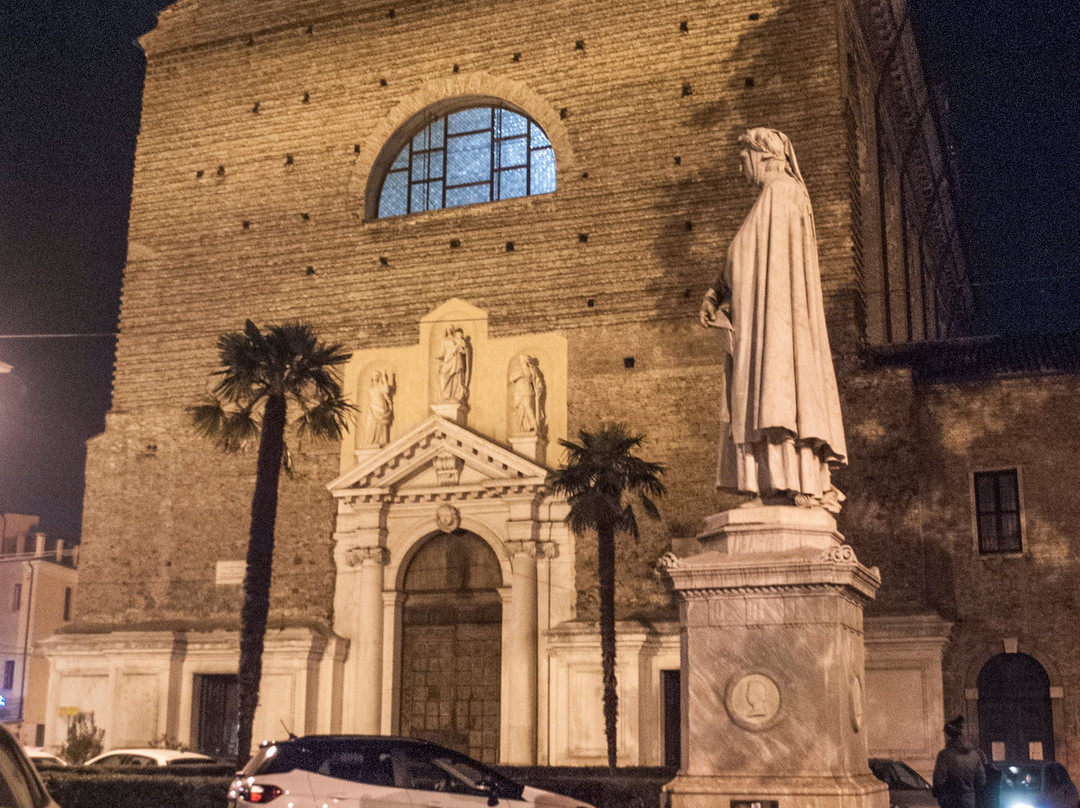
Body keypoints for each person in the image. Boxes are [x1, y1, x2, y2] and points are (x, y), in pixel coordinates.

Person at [699, 127, 847, 512]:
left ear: (762, 155)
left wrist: (719, 291)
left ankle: (784, 483)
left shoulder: (780, 195)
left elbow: (746, 255)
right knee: (771, 398)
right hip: (769, 320)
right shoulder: (779, 197)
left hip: (775, 325)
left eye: (743, 156)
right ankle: (777, 484)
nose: (740, 165)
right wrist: (719, 292)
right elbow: (746, 257)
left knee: (776, 397)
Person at [932, 716, 987, 808]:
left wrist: (938, 794)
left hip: (950, 801)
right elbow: (981, 780)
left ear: (948, 735)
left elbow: (939, 779)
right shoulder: (974, 755)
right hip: (969, 801)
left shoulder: (944, 755)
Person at [509, 355, 546, 435]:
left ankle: (535, 427)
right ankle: (523, 428)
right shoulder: (518, 370)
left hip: (527, 391)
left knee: (528, 408)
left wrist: (538, 389)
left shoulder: (532, 369)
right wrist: (521, 374)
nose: (521, 362)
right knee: (521, 411)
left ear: (526, 361)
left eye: (522, 360)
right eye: (520, 360)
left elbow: (538, 381)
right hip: (519, 393)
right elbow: (511, 378)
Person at [436, 326, 470, 403]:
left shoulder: (457, 339)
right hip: (447, 359)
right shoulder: (444, 340)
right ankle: (444, 395)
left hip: (455, 359)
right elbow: (442, 352)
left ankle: (454, 395)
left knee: (456, 377)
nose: (449, 330)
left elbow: (463, 350)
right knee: (443, 376)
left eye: (451, 329)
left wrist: (459, 348)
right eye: (448, 329)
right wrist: (440, 360)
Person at [361, 370, 394, 446]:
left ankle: (379, 441)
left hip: (381, 406)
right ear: (372, 377)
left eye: (377, 375)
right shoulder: (369, 386)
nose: (375, 376)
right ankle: (370, 441)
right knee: (370, 423)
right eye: (374, 375)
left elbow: (387, 390)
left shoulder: (380, 385)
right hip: (372, 406)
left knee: (380, 425)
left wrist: (384, 378)